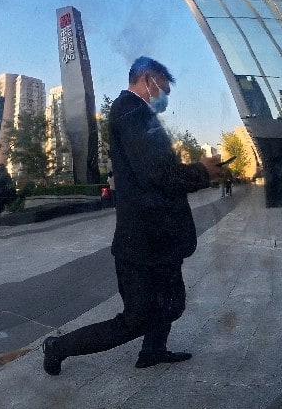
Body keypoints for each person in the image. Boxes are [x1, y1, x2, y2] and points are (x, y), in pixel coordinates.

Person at [42, 57, 223, 375]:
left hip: (161, 239)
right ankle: (59, 347)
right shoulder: (130, 110)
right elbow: (157, 173)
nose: (163, 97)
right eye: (163, 89)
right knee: (136, 318)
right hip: (141, 242)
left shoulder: (140, 114)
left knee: (172, 304)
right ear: (148, 79)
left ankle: (152, 352)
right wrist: (202, 171)